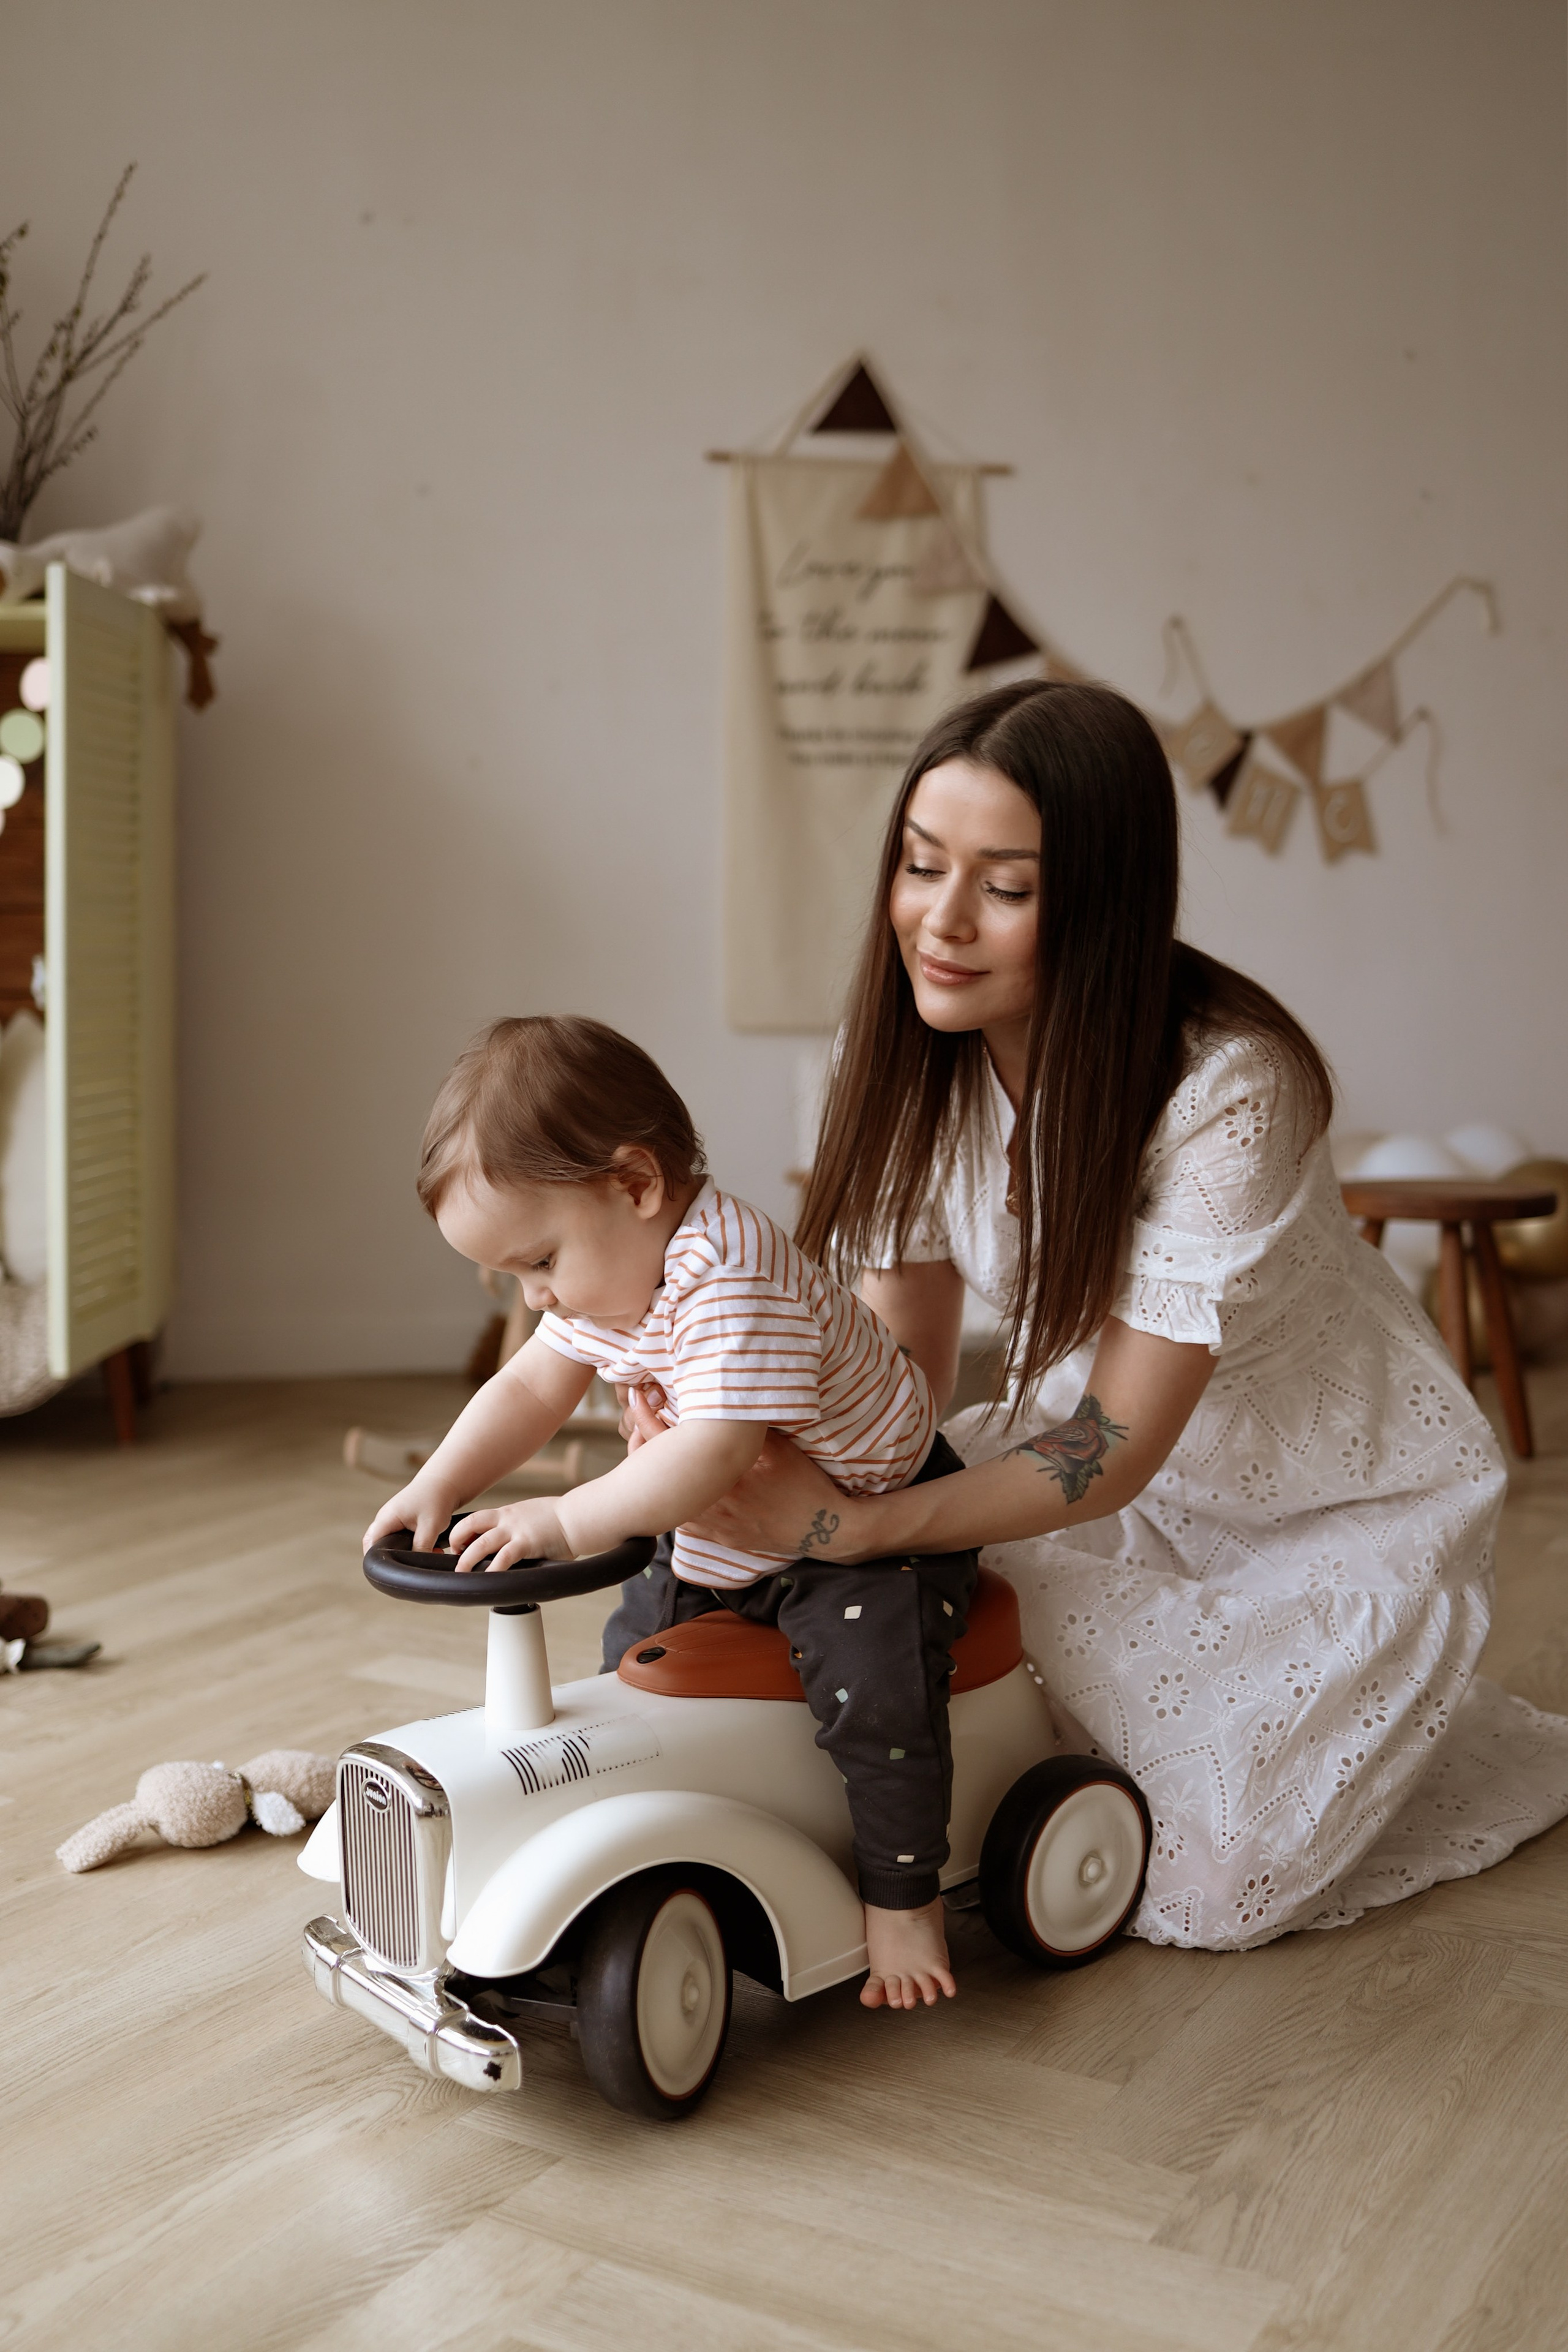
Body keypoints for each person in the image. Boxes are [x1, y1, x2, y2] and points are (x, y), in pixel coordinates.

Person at [631, 679, 1568, 1952]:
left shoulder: (1232, 1088)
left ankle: (1421, 1724)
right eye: (918, 866)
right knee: (923, 1706)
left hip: (1318, 1503)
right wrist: (771, 1461)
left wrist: (861, 1524)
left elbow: (1116, 1447)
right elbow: (895, 1366)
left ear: (1100, 900)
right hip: (1080, 1461)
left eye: (1003, 889)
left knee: (1197, 1882)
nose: (939, 923)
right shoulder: (898, 1052)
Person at [363, 1015, 980, 2010]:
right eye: (520, 1278)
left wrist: (565, 1519)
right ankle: (654, 1827)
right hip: (731, 1525)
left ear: (637, 1185)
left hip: (866, 1527)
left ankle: (903, 1896)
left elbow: (714, 1452)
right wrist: (443, 1480)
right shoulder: (608, 1279)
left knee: (880, 1691)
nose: (538, 1300)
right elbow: (527, 1390)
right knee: (637, 1660)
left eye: (541, 1263)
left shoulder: (730, 1279)